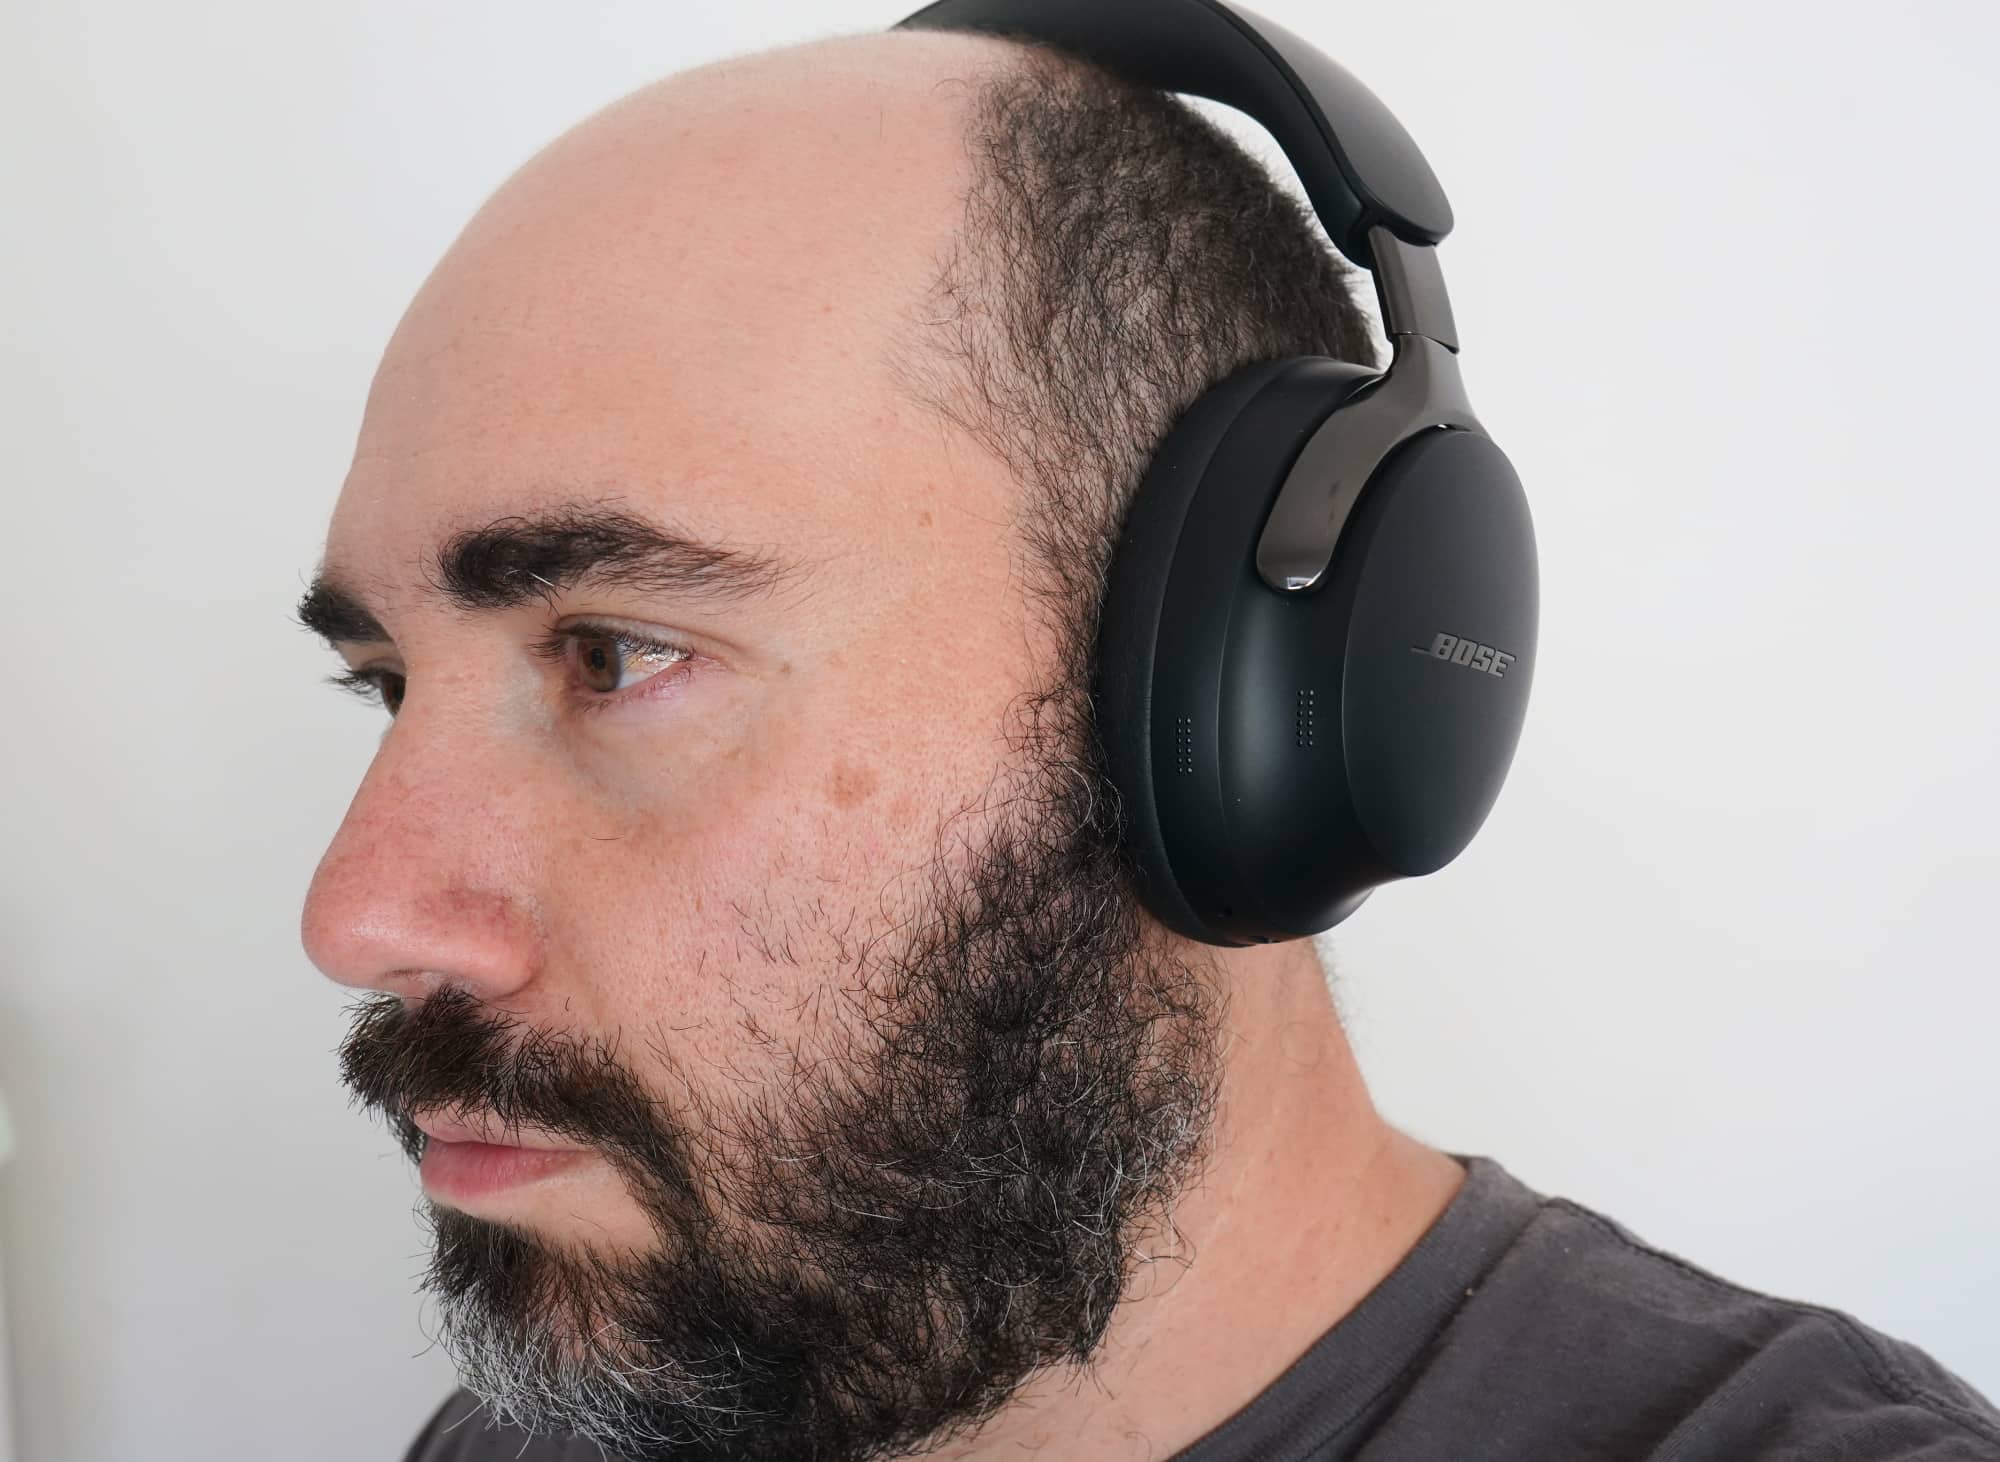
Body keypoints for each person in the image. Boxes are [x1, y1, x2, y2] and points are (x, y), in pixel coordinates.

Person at [291, 15, 2000, 1462]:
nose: (357, 914)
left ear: (1230, 711)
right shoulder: (560, 1421)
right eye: (386, 681)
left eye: (616, 653)